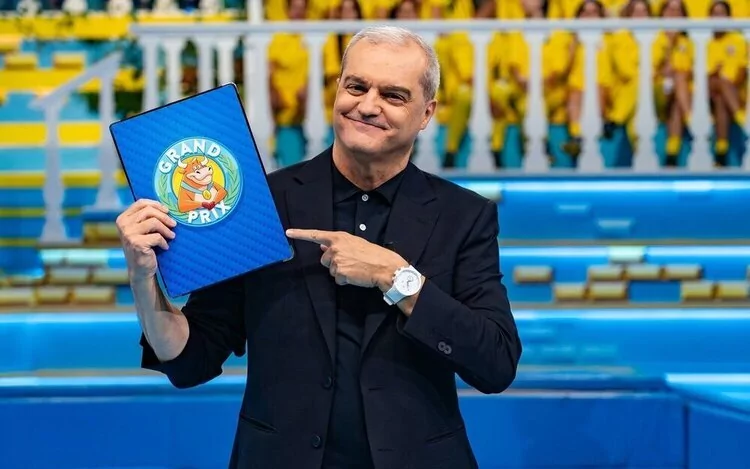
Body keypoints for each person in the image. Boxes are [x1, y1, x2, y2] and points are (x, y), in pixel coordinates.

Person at [116, 25, 522, 469]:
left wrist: (396, 277)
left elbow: (496, 362)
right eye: (357, 86)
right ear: (337, 89)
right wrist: (143, 278)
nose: (368, 105)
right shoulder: (260, 203)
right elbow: (189, 360)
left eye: (393, 95)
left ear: (426, 114)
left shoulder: (464, 216)